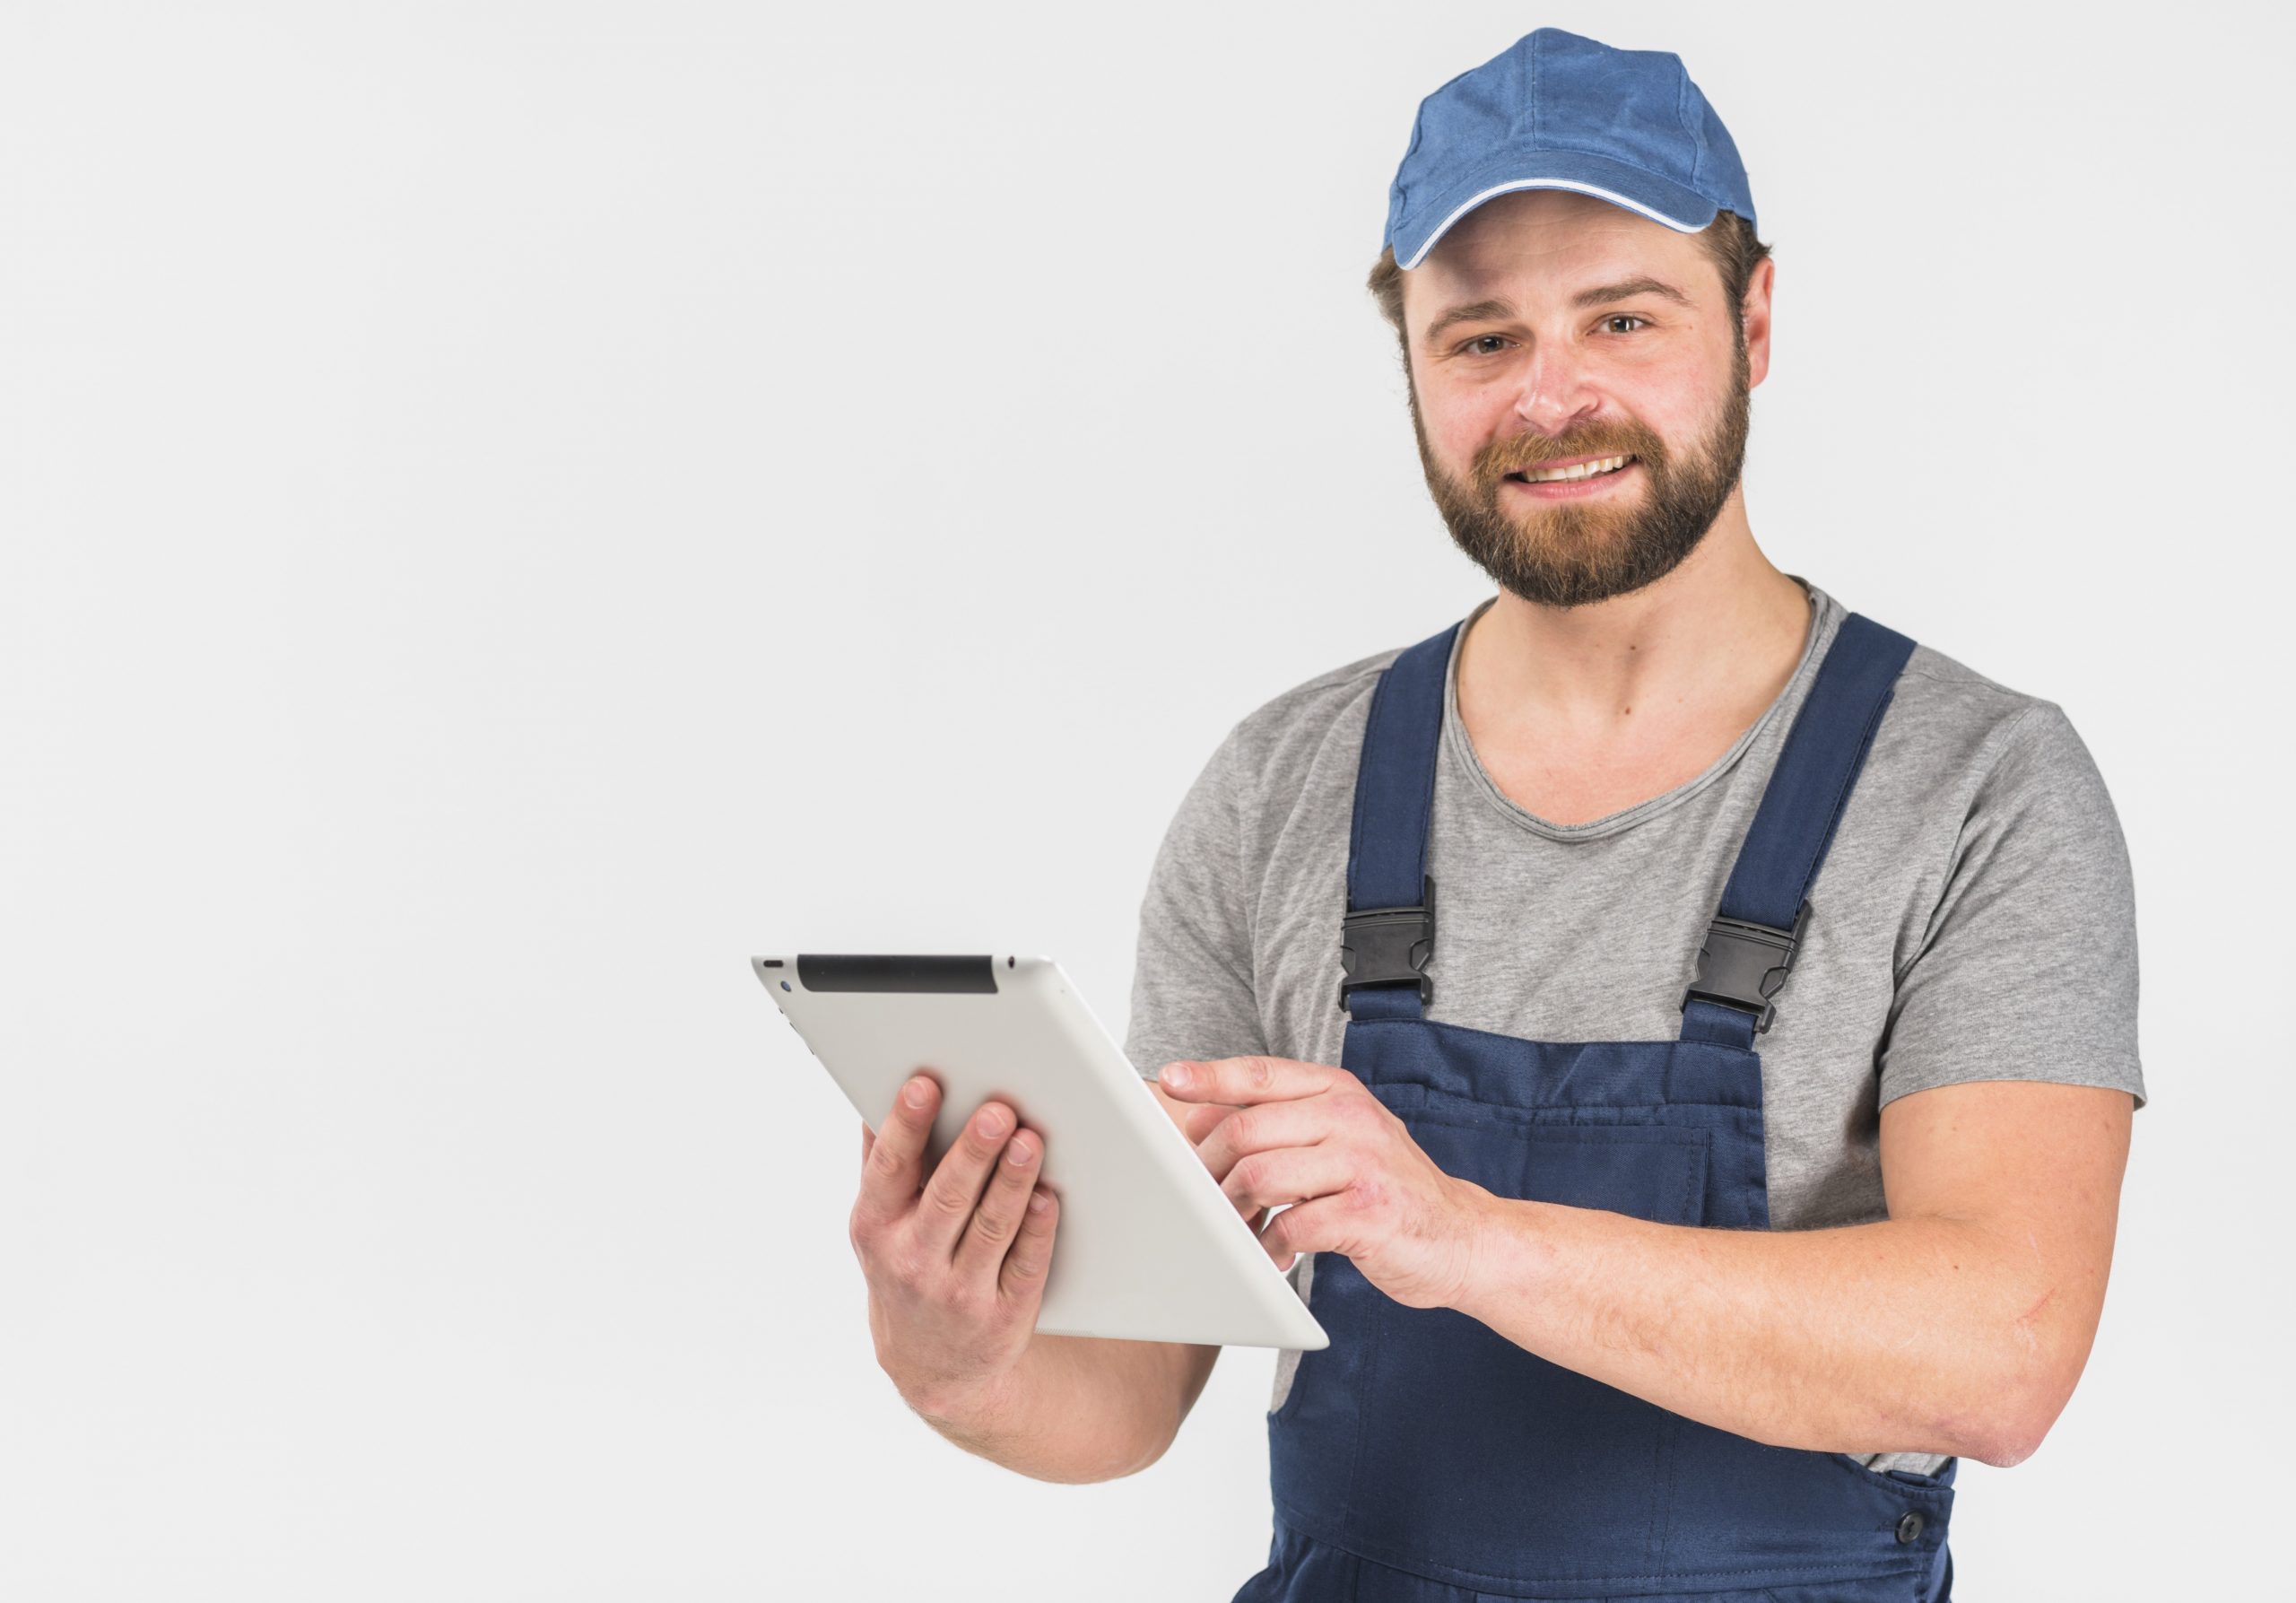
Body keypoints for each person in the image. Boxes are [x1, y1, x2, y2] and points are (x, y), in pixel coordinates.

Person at [844, 26, 2144, 1603]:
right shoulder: (1279, 790)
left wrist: (1459, 1234)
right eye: (1479, 341)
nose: (1552, 397)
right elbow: (1127, 1388)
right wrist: (957, 1356)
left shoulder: (1975, 784)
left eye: (1622, 316)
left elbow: (2000, 1352)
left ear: (1756, 319)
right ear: (1409, 364)